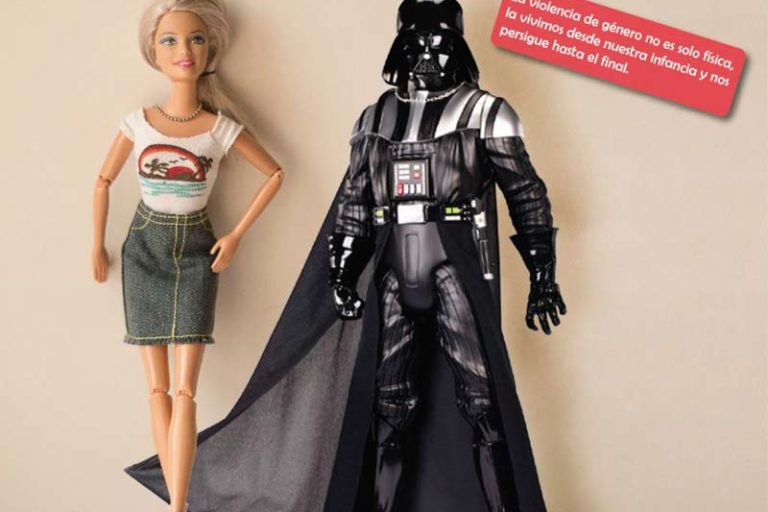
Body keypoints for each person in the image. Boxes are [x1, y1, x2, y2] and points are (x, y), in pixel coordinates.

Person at [126, 2, 564, 511]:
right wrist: (341, 273)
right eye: (416, 43)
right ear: (400, 48)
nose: (427, 55)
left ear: (458, 48)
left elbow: (526, 194)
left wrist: (543, 275)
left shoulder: (487, 113)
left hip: (454, 264)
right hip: (394, 269)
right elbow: (355, 203)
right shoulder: (375, 118)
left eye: (440, 43)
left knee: (482, 404)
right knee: (389, 408)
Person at [91, 2, 283, 511]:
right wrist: (97, 243)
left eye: (196, 39)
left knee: (184, 391)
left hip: (198, 251)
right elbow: (103, 180)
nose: (184, 50)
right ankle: (179, 503)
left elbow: (275, 173)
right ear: (153, 51)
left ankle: (178, 504)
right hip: (144, 247)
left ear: (211, 48)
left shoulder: (218, 128)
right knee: (157, 389)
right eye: (170, 40)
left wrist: (236, 235)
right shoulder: (139, 123)